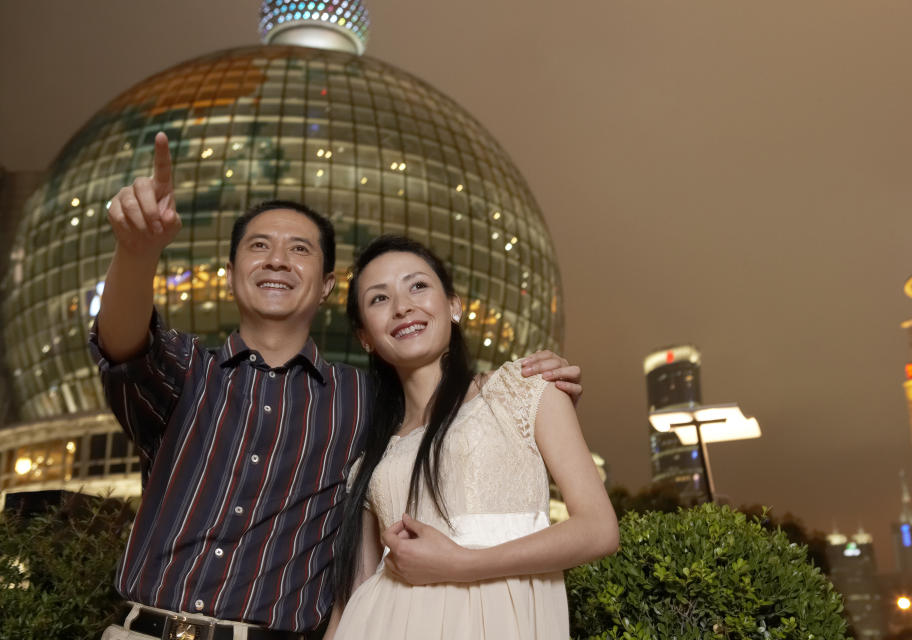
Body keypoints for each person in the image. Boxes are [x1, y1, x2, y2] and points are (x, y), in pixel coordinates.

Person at [91, 133, 584, 640]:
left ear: (327, 285)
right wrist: (136, 253)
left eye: (299, 249)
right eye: (259, 246)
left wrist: (520, 390)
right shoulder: (187, 371)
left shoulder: (365, 400)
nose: (277, 260)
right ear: (232, 270)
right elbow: (124, 342)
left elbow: (449, 417)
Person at [324, 236, 619, 639]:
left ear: (455, 306)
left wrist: (460, 564)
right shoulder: (372, 459)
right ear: (365, 338)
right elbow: (355, 593)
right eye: (379, 299)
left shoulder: (523, 389)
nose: (402, 306)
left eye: (418, 286)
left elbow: (599, 529)